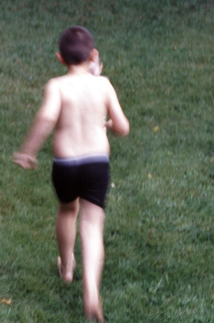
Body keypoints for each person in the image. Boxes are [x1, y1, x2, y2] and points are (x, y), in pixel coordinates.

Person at [13, 26, 129, 322]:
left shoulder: (57, 85)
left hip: (66, 165)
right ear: (93, 56)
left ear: (59, 58)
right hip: (97, 164)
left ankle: (66, 268)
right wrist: (109, 126)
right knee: (91, 225)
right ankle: (91, 289)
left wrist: (28, 150)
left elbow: (47, 117)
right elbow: (123, 127)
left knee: (67, 211)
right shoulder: (103, 84)